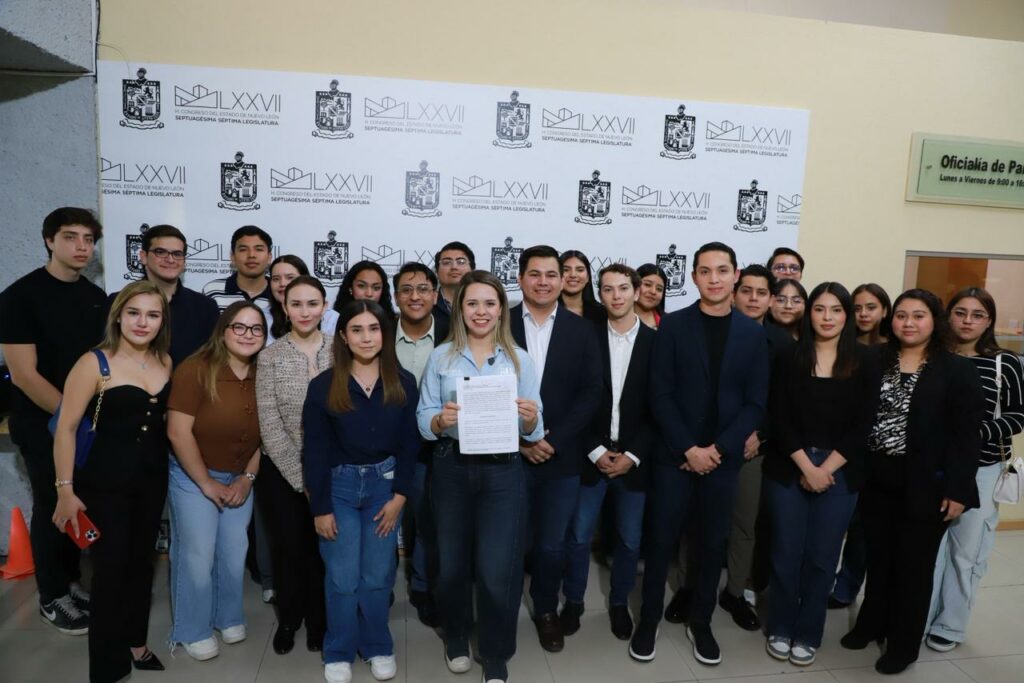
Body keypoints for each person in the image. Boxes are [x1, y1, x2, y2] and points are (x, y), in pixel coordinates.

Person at [631, 242, 770, 667]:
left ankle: (701, 622)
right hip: (675, 457)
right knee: (660, 542)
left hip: (722, 461)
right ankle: (648, 620)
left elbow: (754, 403)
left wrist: (719, 449)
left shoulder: (752, 333)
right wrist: (689, 448)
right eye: (705, 271)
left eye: (722, 270)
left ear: (735, 275)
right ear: (693, 277)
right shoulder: (672, 326)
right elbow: (659, 393)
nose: (714, 278)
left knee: (712, 544)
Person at [841, 289, 984, 675]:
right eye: (901, 315)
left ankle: (903, 646)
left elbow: (966, 437)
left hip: (928, 485)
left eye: (918, 315)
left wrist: (957, 488)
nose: (908, 323)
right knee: (878, 558)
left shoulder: (956, 369)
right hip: (876, 478)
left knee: (914, 568)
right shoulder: (874, 359)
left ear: (934, 321)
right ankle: (871, 624)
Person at [417, 270, 543, 683]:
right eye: (472, 303)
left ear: (501, 309)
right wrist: (439, 420)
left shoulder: (519, 359)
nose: (481, 311)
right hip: (452, 467)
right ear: (459, 308)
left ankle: (495, 652)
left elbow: (535, 430)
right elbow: (423, 418)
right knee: (452, 565)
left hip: (503, 471)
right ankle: (455, 636)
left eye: (490, 303)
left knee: (496, 570)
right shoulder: (441, 357)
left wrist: (530, 419)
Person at [51, 281, 172, 681]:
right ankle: (107, 668)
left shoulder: (165, 360)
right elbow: (66, 429)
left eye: (152, 315)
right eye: (134, 313)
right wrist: (65, 491)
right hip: (105, 486)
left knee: (141, 566)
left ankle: (136, 642)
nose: (142, 322)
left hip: (151, 482)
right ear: (118, 316)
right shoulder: (93, 363)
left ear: (162, 321)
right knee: (109, 572)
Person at [0, 207, 105, 635]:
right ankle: (51, 596)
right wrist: (70, 417)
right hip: (41, 423)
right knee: (51, 505)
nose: (81, 247)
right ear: (49, 240)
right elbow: (24, 375)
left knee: (77, 503)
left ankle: (70, 582)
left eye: (88, 239)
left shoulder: (95, 297)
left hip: (84, 427)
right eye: (70, 237)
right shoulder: (19, 296)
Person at [303, 300, 419, 683]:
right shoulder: (323, 386)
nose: (366, 337)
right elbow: (315, 451)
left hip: (385, 488)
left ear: (385, 334)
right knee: (341, 578)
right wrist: (320, 508)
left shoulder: (403, 382)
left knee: (378, 576)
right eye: (357, 329)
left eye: (374, 329)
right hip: (338, 488)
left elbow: (410, 445)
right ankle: (338, 650)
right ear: (343, 336)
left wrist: (400, 496)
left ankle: (377, 645)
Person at [763, 282, 877, 667]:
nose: (827, 317)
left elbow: (864, 423)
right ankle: (780, 626)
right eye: (819, 309)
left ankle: (808, 633)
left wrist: (824, 469)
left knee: (822, 557)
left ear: (847, 316)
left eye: (836, 310)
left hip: (840, 471)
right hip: (789, 466)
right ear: (808, 313)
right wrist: (806, 467)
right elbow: (779, 417)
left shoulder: (865, 360)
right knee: (785, 553)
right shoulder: (789, 355)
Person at [668, 264, 786, 631]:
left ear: (771, 299)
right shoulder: (704, 329)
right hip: (706, 445)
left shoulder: (783, 343)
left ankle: (735, 592)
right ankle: (687, 588)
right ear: (735, 290)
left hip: (752, 447)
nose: (753, 298)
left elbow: (781, 400)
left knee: (742, 524)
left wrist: (759, 434)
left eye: (761, 293)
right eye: (746, 291)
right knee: (695, 523)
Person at [509, 245, 601, 653]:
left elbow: (591, 392)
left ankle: (546, 609)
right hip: (509, 456)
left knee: (551, 544)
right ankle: (502, 610)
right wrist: (521, 442)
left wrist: (551, 439)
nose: (543, 282)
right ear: (520, 278)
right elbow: (485, 388)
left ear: (563, 281)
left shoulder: (582, 330)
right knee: (508, 541)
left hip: (561, 458)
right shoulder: (498, 322)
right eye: (535, 274)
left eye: (551, 274)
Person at [925, 288, 1024, 652]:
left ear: (989, 321)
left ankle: (950, 625)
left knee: (965, 552)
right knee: (927, 552)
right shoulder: (932, 357)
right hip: (933, 469)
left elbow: (1018, 415)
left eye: (977, 314)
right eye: (960, 312)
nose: (967, 321)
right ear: (947, 315)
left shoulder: (1004, 363)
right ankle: (920, 618)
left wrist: (973, 434)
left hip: (982, 469)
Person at [166, 302, 266, 660]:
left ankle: (228, 616)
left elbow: (267, 435)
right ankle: (191, 629)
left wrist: (248, 479)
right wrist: (207, 484)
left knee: (234, 550)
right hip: (194, 476)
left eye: (256, 329)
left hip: (240, 476)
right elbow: (178, 433)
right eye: (239, 327)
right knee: (197, 553)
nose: (247, 335)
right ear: (223, 331)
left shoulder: (264, 372)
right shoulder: (195, 369)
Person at [563, 264, 655, 641]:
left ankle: (619, 603)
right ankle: (573, 602)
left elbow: (659, 407)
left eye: (623, 288)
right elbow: (574, 399)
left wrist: (633, 455)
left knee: (630, 540)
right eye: (607, 289)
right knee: (579, 536)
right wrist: (595, 450)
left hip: (635, 460)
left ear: (637, 292)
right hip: (591, 456)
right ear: (598, 294)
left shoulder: (656, 343)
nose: (616, 296)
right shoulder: (584, 337)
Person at [256, 275, 332, 655]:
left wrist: (320, 477)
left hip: (333, 470)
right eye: (296, 304)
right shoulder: (269, 357)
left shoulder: (341, 349)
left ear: (325, 307)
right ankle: (289, 619)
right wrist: (302, 479)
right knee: (288, 548)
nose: (305, 311)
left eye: (312, 303)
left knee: (324, 551)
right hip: (283, 471)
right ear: (285, 308)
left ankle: (320, 621)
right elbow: (269, 424)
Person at [392, 262, 450, 628]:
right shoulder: (377, 331)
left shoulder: (452, 332)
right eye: (407, 289)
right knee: (383, 522)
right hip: (387, 446)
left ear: (435, 294)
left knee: (430, 522)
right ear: (396, 296)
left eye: (423, 289)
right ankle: (381, 588)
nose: (415, 296)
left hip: (437, 447)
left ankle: (423, 587)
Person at [828, 282, 892, 609]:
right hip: (842, 447)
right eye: (857, 308)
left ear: (885, 310)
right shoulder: (840, 344)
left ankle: (847, 586)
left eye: (871, 307)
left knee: (863, 527)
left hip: (880, 450)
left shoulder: (894, 350)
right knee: (835, 521)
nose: (864, 314)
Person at [105, 224, 219, 366]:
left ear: (184, 260)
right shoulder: (117, 301)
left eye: (177, 254)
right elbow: (106, 351)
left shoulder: (205, 307)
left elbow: (214, 360)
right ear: (143, 256)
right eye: (160, 252)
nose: (170, 259)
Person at [203, 225, 274, 318]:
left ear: (269, 257)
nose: (251, 255)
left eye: (259, 249)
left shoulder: (278, 293)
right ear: (232, 257)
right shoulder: (212, 291)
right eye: (243, 250)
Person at [559, 249, 606, 326]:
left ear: (588, 277)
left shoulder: (604, 313)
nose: (573, 275)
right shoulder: (547, 310)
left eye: (580, 270)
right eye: (566, 270)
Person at [433, 241, 475, 315]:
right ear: (436, 271)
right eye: (447, 262)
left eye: (461, 262)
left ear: (472, 269)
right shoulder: (427, 304)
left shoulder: (484, 304)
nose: (454, 267)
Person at [635, 263, 667, 329]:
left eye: (659, 289)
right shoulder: (615, 318)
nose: (653, 292)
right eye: (647, 285)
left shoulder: (669, 323)